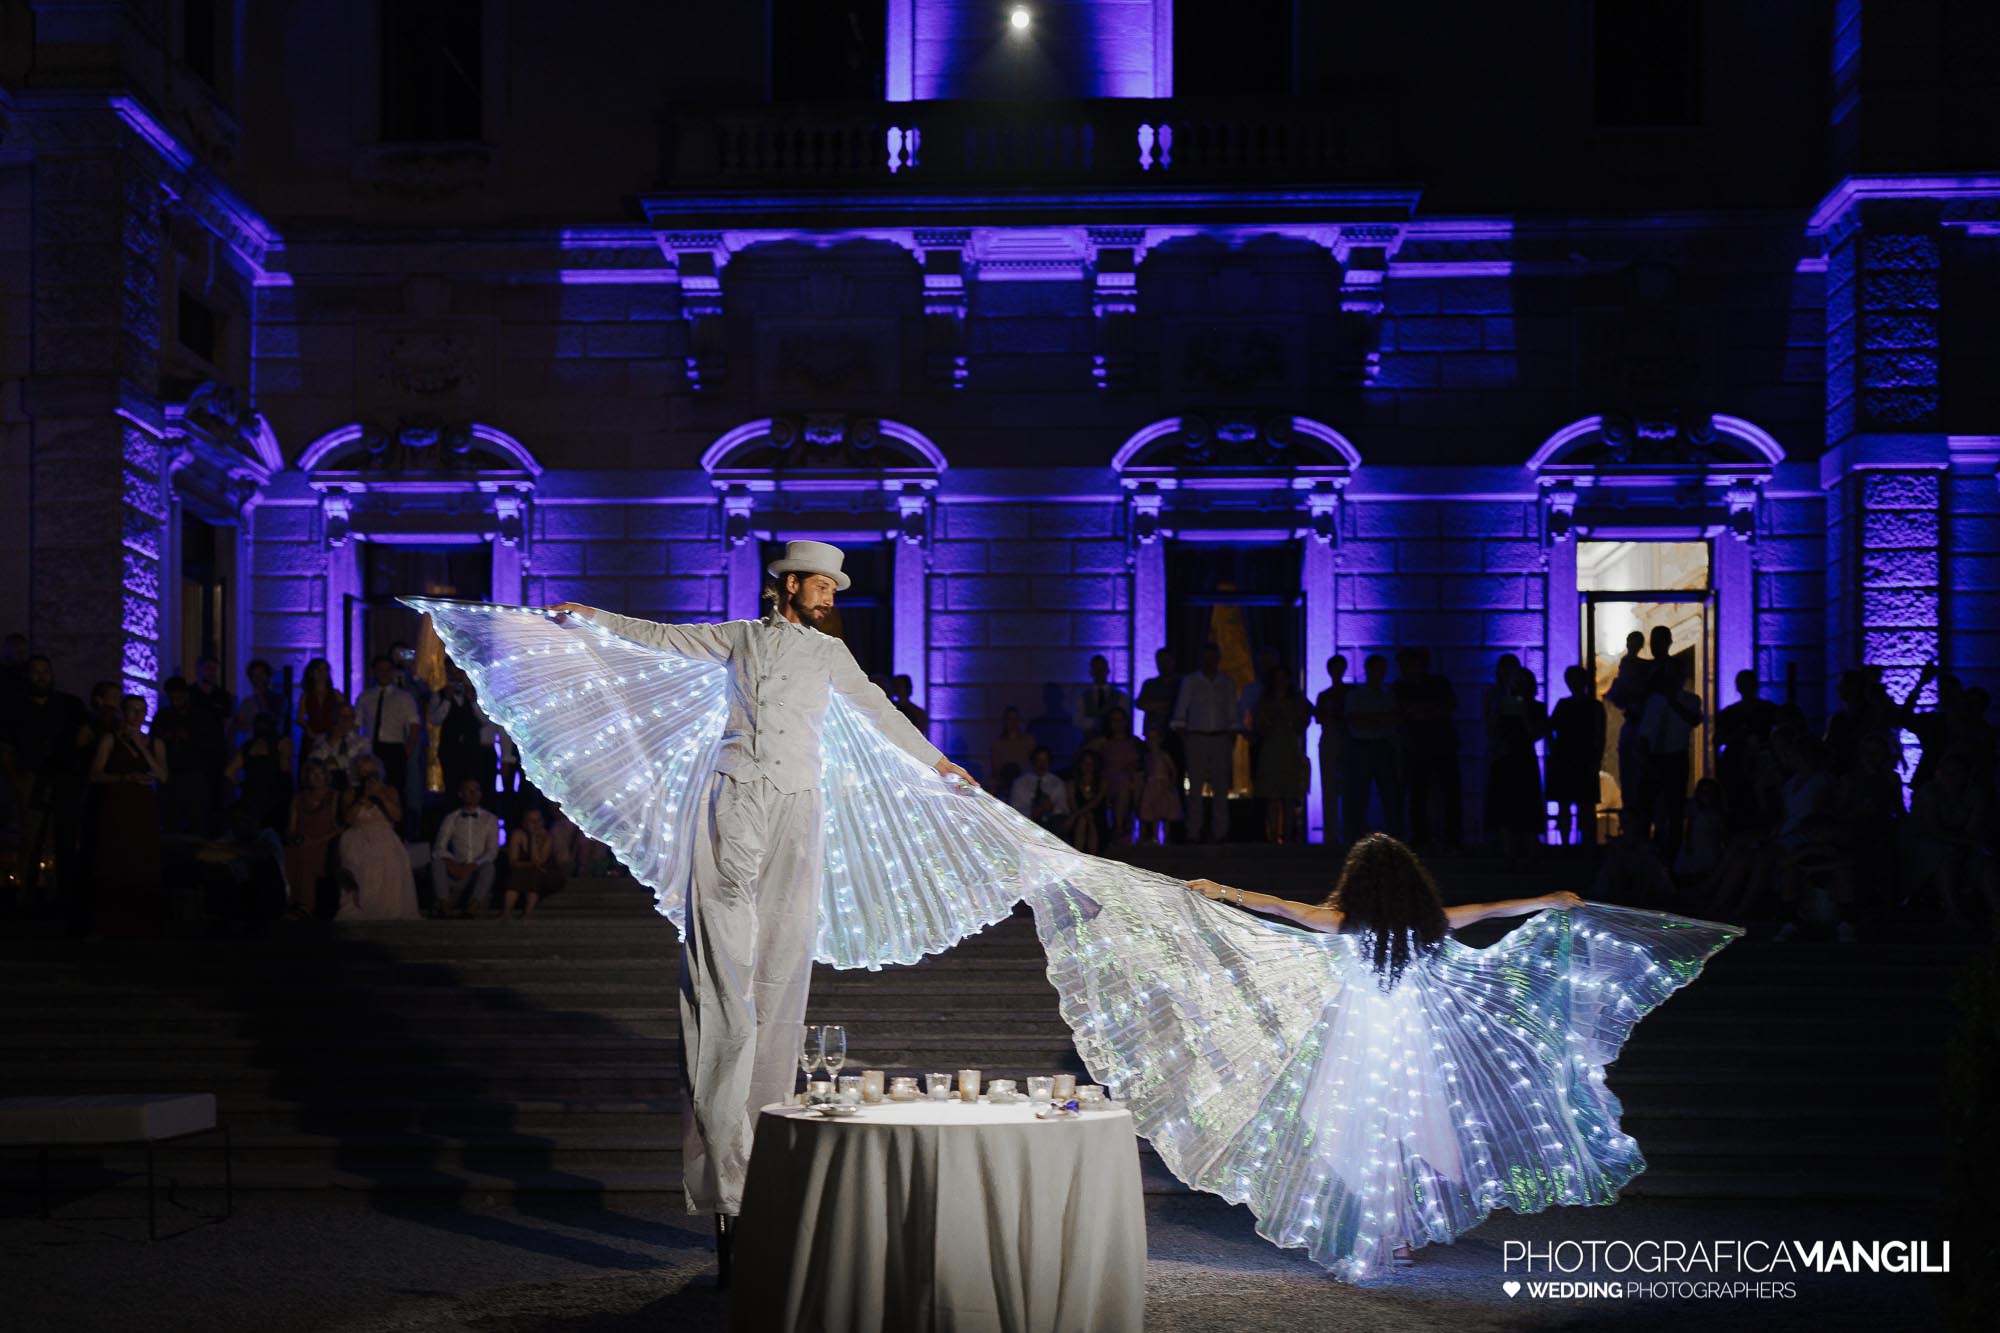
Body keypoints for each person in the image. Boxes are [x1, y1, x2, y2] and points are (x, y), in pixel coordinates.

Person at [1017, 831, 1738, 1280]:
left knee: (1356, 1132)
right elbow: (1489, 911)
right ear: (1411, 883)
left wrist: (1221, 889)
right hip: (1410, 1043)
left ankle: (1373, 1230)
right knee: (1406, 1134)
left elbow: (1276, 908)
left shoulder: (1344, 920)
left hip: (1357, 1043)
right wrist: (1549, 897)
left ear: (1360, 882)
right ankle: (1395, 1235)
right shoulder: (1428, 924)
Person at [545, 538, 976, 1260]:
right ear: (789, 583)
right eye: (822, 585)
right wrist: (594, 616)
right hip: (737, 796)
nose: (832, 595)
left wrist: (936, 761)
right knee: (725, 984)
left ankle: (756, 1175)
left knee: (779, 971)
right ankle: (726, 1168)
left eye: (835, 587)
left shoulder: (830, 655)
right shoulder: (741, 637)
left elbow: (876, 708)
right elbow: (664, 638)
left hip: (798, 805)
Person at [87, 694, 168, 937]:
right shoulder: (110, 740)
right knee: (116, 854)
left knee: (142, 856)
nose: (136, 715)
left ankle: (142, 918)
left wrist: (142, 746)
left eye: (141, 710)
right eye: (132, 710)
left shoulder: (156, 742)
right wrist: (124, 778)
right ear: (124, 712)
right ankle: (111, 918)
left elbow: (163, 776)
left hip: (143, 805)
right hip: (118, 803)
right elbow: (95, 774)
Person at [334, 753, 420, 920]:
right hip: (358, 837)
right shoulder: (350, 793)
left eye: (370, 771)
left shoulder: (389, 791)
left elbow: (397, 816)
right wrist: (363, 797)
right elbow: (348, 819)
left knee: (390, 857)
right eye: (362, 771)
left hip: (385, 837)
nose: (366, 775)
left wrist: (380, 795)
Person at [1393, 648, 1461, 850]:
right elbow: (1407, 711)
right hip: (1420, 747)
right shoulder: (1403, 687)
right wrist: (1429, 710)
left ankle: (1450, 838)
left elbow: (1446, 707)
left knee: (1447, 795)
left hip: (1439, 745)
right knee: (1419, 795)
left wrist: (1420, 711)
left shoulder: (1436, 684)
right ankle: (1423, 837)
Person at [1637, 660, 1703, 864]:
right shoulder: (1654, 702)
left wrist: (1673, 701)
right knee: (1646, 808)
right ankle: (1644, 853)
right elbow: (1645, 734)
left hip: (1676, 757)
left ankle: (1672, 856)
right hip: (1655, 756)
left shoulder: (1691, 700)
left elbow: (1694, 719)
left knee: (1675, 808)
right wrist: (1645, 760)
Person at [1172, 644, 1238, 844]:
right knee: (1195, 788)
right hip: (1196, 737)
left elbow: (1232, 712)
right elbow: (1181, 711)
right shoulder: (1191, 681)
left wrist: (1231, 737)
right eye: (1207, 657)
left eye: (1214, 657)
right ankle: (1193, 830)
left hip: (1220, 737)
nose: (1210, 661)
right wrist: (1187, 738)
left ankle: (1220, 831)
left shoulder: (1226, 682)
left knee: (1220, 787)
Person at [1482, 656, 1546, 861]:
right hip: (1503, 759)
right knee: (1503, 807)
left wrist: (1522, 712)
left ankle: (1529, 853)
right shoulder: (1496, 699)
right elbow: (1491, 728)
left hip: (1524, 759)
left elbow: (1536, 733)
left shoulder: (1536, 707)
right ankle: (1507, 853)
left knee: (1527, 806)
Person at [1343, 654, 1402, 842]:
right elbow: (1355, 721)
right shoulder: (1356, 695)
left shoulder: (1387, 696)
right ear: (1368, 670)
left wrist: (1371, 719)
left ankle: (1394, 836)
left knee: (1390, 793)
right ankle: (1358, 837)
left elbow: (1393, 720)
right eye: (1376, 668)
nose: (1380, 673)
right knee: (1359, 794)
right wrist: (1379, 720)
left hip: (1382, 746)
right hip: (1362, 746)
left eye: (1382, 669)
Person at [355, 654, 420, 822]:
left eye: (387, 670)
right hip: (371, 748)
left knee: (395, 789)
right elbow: (356, 723)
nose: (384, 673)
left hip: (395, 747)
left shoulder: (404, 697)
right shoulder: (365, 696)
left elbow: (414, 724)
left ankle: (398, 832)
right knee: (367, 787)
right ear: (374, 672)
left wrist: (407, 751)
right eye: (380, 670)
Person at [1546, 664, 1606, 846]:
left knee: (1577, 805)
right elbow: (1600, 735)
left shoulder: (1568, 705)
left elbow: (1549, 728)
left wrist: (1553, 748)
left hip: (1573, 758)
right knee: (1579, 805)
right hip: (1576, 758)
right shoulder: (1591, 706)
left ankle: (1574, 843)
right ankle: (1582, 843)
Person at [1251, 665, 1310, 845]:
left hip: (1290, 749)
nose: (1281, 681)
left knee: (1289, 793)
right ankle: (1274, 834)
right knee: (1272, 794)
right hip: (1271, 749)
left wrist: (1290, 720)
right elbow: (1258, 724)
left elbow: (1305, 718)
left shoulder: (1297, 700)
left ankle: (1287, 835)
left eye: (1284, 676)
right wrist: (1271, 720)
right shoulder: (1265, 700)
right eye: (1278, 677)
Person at [431, 777, 499, 918]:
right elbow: (439, 847)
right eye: (469, 790)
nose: (473, 793)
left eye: (477, 790)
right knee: (437, 862)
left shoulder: (490, 819)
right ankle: (444, 904)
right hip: (456, 872)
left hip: (475, 874)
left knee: (489, 866)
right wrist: (452, 863)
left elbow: (492, 851)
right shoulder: (452, 818)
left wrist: (473, 865)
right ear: (461, 794)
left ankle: (472, 907)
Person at [284, 758, 340, 917]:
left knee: (307, 853)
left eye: (321, 773)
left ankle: (306, 905)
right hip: (302, 841)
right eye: (313, 774)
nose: (317, 777)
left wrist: (316, 841)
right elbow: (290, 829)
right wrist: (295, 838)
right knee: (289, 851)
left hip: (324, 842)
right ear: (306, 776)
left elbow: (339, 828)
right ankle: (289, 901)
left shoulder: (334, 796)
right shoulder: (299, 798)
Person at [223, 712, 293, 831]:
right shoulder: (282, 743)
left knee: (254, 833)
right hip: (273, 797)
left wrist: (242, 785)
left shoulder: (247, 747)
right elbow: (285, 768)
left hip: (252, 797)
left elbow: (229, 772)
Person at [429, 672, 495, 798]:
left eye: (458, 674)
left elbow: (486, 721)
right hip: (449, 751)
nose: (455, 677)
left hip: (472, 750)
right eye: (451, 673)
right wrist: (447, 701)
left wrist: (474, 702)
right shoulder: (439, 695)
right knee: (452, 786)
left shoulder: (475, 694)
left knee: (474, 785)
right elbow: (435, 720)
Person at [1084, 706, 1142, 843]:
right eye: (1114, 720)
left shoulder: (1135, 742)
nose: (1118, 723)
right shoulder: (1103, 742)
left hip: (1133, 781)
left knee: (1134, 784)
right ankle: (1119, 829)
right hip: (1109, 781)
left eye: (1120, 720)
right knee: (1123, 785)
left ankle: (1135, 829)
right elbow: (1083, 755)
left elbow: (1144, 762)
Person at [501, 805, 564, 920]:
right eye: (531, 821)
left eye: (538, 820)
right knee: (517, 874)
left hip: (546, 873)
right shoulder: (517, 835)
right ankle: (506, 912)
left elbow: (540, 861)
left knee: (535, 873)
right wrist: (530, 864)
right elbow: (513, 861)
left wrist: (534, 839)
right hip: (524, 869)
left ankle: (528, 913)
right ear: (525, 822)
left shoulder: (548, 836)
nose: (536, 824)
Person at [1313, 655, 1348, 843]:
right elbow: (1319, 718)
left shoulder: (1350, 692)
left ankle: (1350, 830)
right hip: (1330, 739)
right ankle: (1332, 833)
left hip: (1347, 741)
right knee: (1329, 787)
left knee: (1349, 787)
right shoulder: (1324, 695)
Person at [1008, 745, 1071, 833]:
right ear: (1033, 762)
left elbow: (1063, 809)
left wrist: (1051, 807)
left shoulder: (1057, 783)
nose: (1042, 764)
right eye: (1039, 760)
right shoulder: (1020, 783)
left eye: (1045, 761)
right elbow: (1014, 808)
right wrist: (1032, 811)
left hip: (1051, 825)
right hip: (1025, 825)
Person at [1136, 728, 1182, 845]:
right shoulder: (1147, 756)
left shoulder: (1164, 755)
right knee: (1154, 814)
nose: (1152, 741)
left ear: (1160, 740)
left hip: (1164, 786)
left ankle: (1166, 837)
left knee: (1165, 813)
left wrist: (1172, 782)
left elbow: (1173, 769)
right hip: (1151, 787)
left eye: (1155, 738)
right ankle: (1155, 837)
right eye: (1149, 738)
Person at [1072, 654, 1130, 743]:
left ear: (1107, 670)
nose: (1099, 672)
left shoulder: (1120, 696)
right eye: (1096, 669)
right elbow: (1078, 721)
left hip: (1113, 742)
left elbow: (1125, 720)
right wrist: (1096, 722)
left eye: (1101, 669)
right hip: (1091, 742)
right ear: (1091, 672)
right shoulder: (1083, 697)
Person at [230, 659, 286, 751]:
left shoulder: (280, 699)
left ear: (268, 676)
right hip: (252, 750)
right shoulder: (246, 703)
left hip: (273, 749)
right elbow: (242, 727)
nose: (258, 678)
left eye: (261, 674)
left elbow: (277, 722)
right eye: (255, 675)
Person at [308, 704, 369, 788]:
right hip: (326, 785)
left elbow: (360, 766)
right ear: (335, 718)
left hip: (352, 786)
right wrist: (332, 741)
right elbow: (314, 761)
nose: (346, 720)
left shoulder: (363, 742)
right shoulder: (322, 739)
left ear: (354, 719)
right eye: (342, 716)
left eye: (349, 716)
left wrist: (336, 761)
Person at [1065, 747, 1110, 853]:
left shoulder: (1102, 783)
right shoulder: (1072, 784)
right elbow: (1073, 804)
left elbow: (1095, 803)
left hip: (1098, 819)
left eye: (1091, 763)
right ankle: (1079, 856)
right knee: (1083, 820)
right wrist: (1079, 815)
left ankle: (1092, 857)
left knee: (1089, 820)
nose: (1088, 766)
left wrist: (1076, 816)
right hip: (1079, 819)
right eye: (1085, 763)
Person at [297, 657, 344, 755]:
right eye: (318, 669)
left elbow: (344, 715)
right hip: (312, 737)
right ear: (312, 673)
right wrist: (309, 731)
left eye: (325, 669)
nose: (321, 673)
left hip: (332, 737)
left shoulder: (336, 694)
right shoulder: (306, 695)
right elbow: (300, 719)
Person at [1133, 647, 1180, 744]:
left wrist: (1154, 705)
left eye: (1167, 661)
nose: (1164, 666)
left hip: (1177, 734)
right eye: (1160, 662)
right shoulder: (1150, 684)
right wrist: (1164, 704)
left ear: (1173, 662)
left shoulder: (1182, 683)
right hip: (1153, 735)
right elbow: (1140, 704)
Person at [988, 705, 1034, 796]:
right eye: (1009, 719)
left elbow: (1032, 763)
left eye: (1015, 719)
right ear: (1005, 721)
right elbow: (995, 767)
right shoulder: (997, 743)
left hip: (1024, 781)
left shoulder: (1028, 740)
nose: (1012, 722)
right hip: (1003, 781)